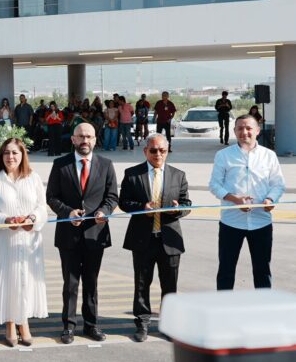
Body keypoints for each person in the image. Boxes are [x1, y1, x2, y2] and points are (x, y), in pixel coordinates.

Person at [46, 123, 118, 344]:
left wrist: (104, 211)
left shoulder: (106, 165)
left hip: (96, 233)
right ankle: (68, 326)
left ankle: (91, 325)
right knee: (70, 283)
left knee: (91, 281)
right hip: (68, 234)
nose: (85, 140)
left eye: (89, 137)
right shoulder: (60, 165)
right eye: (81, 136)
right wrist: (68, 212)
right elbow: (52, 196)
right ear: (73, 140)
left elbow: (112, 196)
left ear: (95, 140)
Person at [119, 133, 191, 342]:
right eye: (153, 150)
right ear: (145, 151)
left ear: (167, 151)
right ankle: (142, 323)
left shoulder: (179, 175)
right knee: (142, 283)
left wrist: (177, 210)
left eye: (162, 150)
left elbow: (187, 204)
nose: (158, 154)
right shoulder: (132, 174)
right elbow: (124, 202)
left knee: (170, 285)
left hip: (169, 239)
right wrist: (142, 208)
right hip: (143, 238)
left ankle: (169, 324)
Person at [0, 138, 48, 347]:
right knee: (7, 280)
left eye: (15, 153)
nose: (11, 157)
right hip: (4, 240)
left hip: (28, 240)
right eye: (7, 153)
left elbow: (42, 207)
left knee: (26, 280)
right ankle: (10, 322)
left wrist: (33, 220)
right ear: (1, 156)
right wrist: (5, 220)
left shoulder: (33, 178)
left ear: (22, 155)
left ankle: (23, 322)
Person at [209, 115, 285, 290]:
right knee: (226, 270)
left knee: (262, 270)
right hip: (231, 222)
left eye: (249, 128)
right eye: (240, 128)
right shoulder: (224, 155)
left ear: (257, 131)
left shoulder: (269, 155)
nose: (245, 132)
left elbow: (278, 184)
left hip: (261, 222)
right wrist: (234, 199)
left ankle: (262, 309)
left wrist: (270, 199)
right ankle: (224, 309)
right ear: (234, 131)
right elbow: (214, 185)